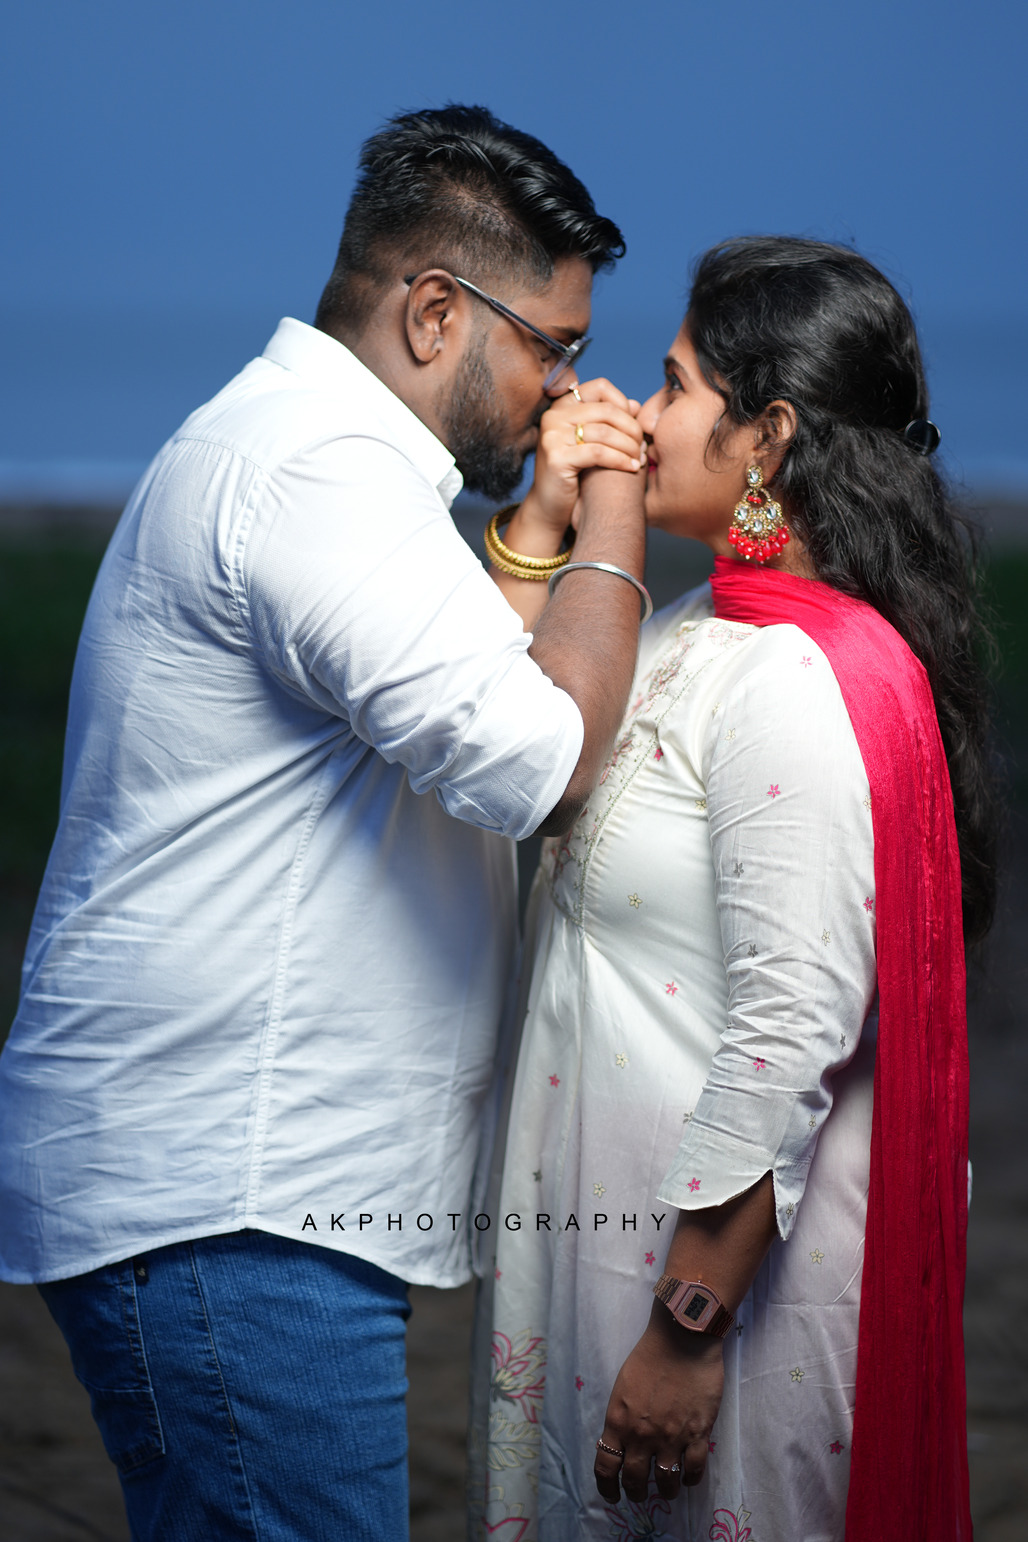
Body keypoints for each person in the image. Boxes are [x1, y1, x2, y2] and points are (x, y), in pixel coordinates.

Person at [0, 105, 652, 1541]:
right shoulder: (321, 475)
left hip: (232, 1191)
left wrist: (537, 529)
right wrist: (616, 509)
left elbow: (444, 692)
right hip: (231, 1206)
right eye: (553, 346)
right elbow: (536, 754)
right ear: (436, 311)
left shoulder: (318, 456)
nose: (565, 386)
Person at [469, 236, 996, 1541]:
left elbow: (786, 1033)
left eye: (674, 382)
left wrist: (686, 1329)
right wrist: (553, 515)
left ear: (766, 435)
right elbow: (505, 746)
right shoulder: (700, 633)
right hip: (608, 1229)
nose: (644, 417)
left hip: (713, 1297)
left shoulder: (792, 685)